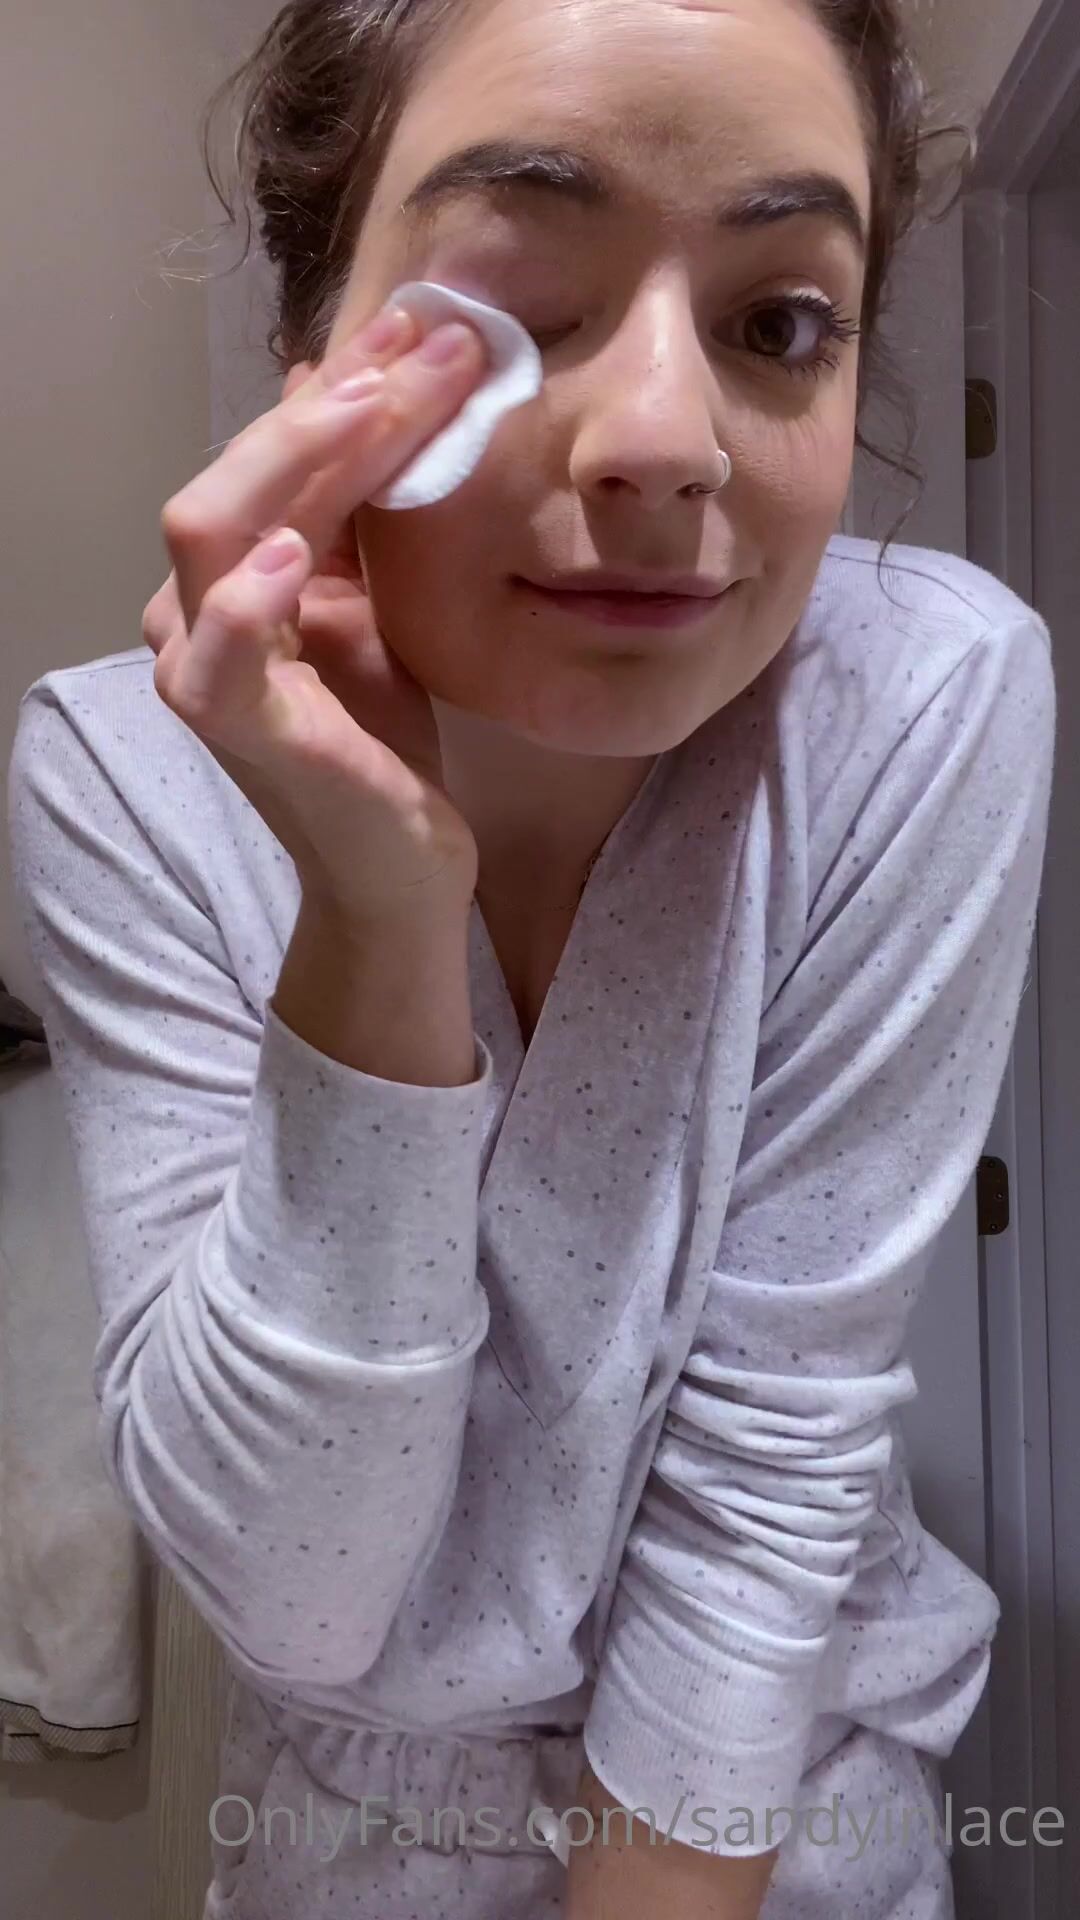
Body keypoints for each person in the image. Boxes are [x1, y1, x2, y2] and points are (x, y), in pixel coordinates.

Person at [7, 0, 1057, 1915]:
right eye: (513, 303)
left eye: (779, 323)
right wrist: (376, 920)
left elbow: (767, 1472)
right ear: (311, 354)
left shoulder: (918, 696)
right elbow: (286, 1592)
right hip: (346, 1846)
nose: (667, 439)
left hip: (771, 1823)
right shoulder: (123, 770)